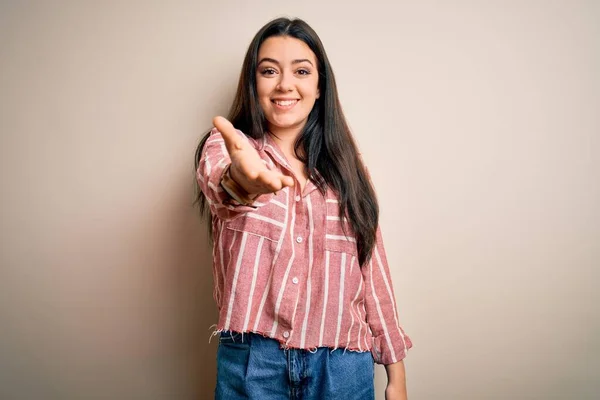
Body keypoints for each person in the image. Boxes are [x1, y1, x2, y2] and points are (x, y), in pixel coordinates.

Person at [194, 17, 412, 400]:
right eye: (269, 71)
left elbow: (372, 266)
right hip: (252, 366)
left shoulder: (349, 167)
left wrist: (396, 374)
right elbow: (222, 187)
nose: (284, 84)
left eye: (301, 71)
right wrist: (241, 184)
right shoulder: (226, 147)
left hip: (343, 366)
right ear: (253, 83)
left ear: (319, 86)